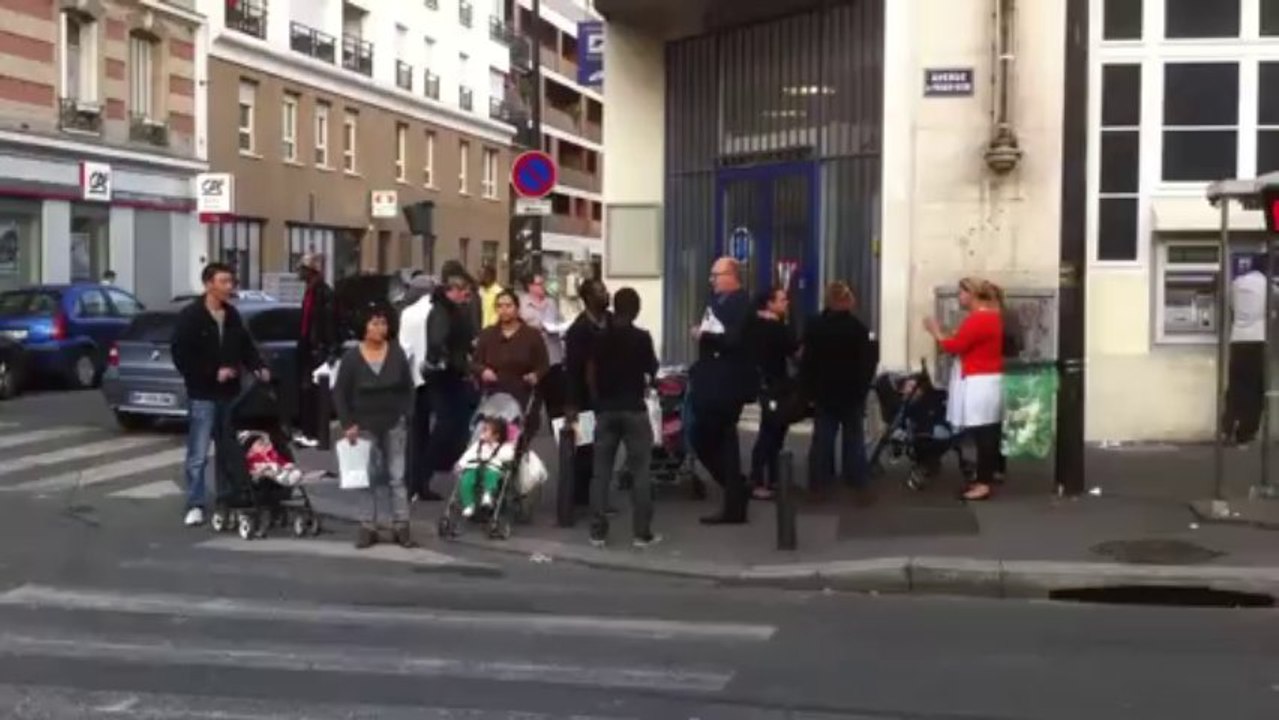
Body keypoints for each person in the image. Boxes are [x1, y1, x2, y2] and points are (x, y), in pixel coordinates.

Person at [170, 262, 269, 527]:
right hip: (203, 394)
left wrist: (258, 367)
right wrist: (212, 372)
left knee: (229, 449)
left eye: (230, 282)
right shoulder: (191, 317)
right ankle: (195, 503)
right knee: (199, 452)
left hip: (230, 394)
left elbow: (246, 346)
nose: (229, 287)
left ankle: (227, 499)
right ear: (208, 284)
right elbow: (181, 355)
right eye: (223, 281)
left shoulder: (232, 315)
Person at [333, 304, 416, 549]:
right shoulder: (351, 358)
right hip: (363, 424)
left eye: (383, 323)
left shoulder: (397, 353)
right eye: (374, 324)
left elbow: (407, 388)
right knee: (367, 477)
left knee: (396, 476)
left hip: (393, 422)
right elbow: (340, 392)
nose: (380, 328)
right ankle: (367, 525)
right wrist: (347, 424)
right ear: (364, 328)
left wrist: (405, 414)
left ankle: (401, 525)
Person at [589, 287, 661, 548]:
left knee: (601, 473)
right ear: (637, 309)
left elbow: (591, 373)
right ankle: (641, 534)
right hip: (633, 408)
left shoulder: (599, 337)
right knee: (641, 471)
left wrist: (597, 402)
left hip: (606, 410)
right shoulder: (642, 338)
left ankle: (597, 532)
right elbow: (653, 370)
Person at [924, 277, 1005, 502]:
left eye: (961, 293)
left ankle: (983, 483)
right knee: (986, 432)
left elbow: (954, 346)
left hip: (981, 381)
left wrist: (936, 331)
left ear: (972, 295)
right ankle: (986, 477)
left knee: (984, 433)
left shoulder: (979, 319)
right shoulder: (989, 317)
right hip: (985, 379)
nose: (959, 298)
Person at [690, 257, 754, 525]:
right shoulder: (718, 302)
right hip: (711, 382)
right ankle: (736, 488)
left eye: (715, 275)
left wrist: (704, 336)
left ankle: (735, 497)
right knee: (703, 436)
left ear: (731, 276)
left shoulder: (741, 304)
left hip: (726, 385)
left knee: (717, 438)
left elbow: (734, 339)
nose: (711, 280)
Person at [800, 282, 876, 498]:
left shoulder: (814, 325)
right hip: (851, 391)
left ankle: (818, 481)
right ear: (848, 301)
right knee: (854, 438)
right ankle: (856, 479)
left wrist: (809, 390)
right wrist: (863, 387)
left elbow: (807, 361)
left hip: (824, 390)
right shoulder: (858, 329)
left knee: (822, 438)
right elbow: (867, 363)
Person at [424, 262, 479, 484]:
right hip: (446, 373)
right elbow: (438, 340)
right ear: (452, 291)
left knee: (458, 419)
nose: (465, 295)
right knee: (448, 420)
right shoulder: (443, 311)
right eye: (462, 291)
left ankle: (444, 460)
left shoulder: (452, 310)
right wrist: (450, 357)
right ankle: (430, 465)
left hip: (453, 370)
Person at [746, 287, 800, 500]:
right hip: (774, 385)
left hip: (767, 384)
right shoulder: (775, 328)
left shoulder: (756, 324)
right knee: (771, 432)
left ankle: (775, 477)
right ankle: (759, 479)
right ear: (769, 304)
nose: (787, 303)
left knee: (774, 431)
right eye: (782, 300)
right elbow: (794, 349)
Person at [563, 277, 612, 510]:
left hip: (611, 394)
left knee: (606, 447)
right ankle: (582, 496)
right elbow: (572, 370)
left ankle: (600, 494)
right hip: (585, 397)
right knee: (586, 449)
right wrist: (571, 403)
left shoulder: (612, 322)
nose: (606, 294)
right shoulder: (578, 330)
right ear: (588, 298)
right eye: (601, 291)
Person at [473, 289, 549, 422]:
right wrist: (483, 371)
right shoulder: (488, 334)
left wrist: (535, 375)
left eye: (508, 306)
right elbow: (475, 363)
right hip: (494, 394)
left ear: (517, 308)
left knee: (518, 435)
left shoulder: (531, 335)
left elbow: (543, 364)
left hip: (522, 393)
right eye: (499, 306)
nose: (504, 310)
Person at [398, 272, 440, 501]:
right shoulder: (436, 312)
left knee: (416, 433)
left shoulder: (407, 313)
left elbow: (405, 350)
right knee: (436, 430)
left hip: (415, 379)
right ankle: (423, 480)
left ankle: (412, 481)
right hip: (435, 376)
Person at [294, 253, 336, 448]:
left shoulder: (323, 292)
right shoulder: (311, 291)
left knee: (314, 390)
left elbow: (327, 322)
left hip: (316, 347)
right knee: (306, 391)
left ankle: (315, 433)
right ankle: (309, 431)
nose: (299, 273)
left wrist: (324, 346)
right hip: (308, 345)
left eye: (302, 269)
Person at [1225, 254, 1268, 445]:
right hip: (1258, 340)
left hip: (1237, 340)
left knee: (1235, 387)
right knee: (1255, 389)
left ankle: (1227, 428)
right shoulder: (1268, 286)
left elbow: (1231, 308)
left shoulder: (1237, 283)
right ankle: (1245, 433)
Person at [520, 273, 569, 427]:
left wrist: (560, 328)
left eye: (543, 283)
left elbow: (560, 321)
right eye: (539, 284)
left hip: (553, 358)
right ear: (530, 287)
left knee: (556, 406)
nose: (542, 287)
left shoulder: (551, 303)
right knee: (531, 406)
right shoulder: (522, 304)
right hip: (532, 361)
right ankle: (522, 439)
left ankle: (561, 440)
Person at [455, 416, 515, 518]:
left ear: (496, 436)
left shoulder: (503, 447)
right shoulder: (478, 445)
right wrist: (461, 464)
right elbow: (468, 454)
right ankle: (469, 505)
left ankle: (488, 495)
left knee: (490, 475)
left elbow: (509, 456)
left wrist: (495, 448)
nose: (482, 433)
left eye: (486, 430)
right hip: (474, 467)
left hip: (492, 468)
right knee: (466, 481)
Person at [477, 265, 504, 329]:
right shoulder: (479, 291)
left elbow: (500, 314)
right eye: (479, 274)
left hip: (493, 331)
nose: (479, 278)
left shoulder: (499, 293)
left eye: (483, 275)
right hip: (480, 331)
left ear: (491, 276)